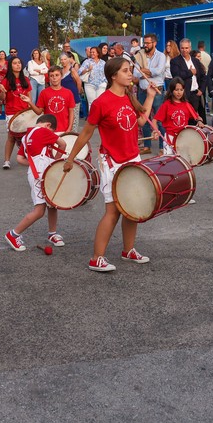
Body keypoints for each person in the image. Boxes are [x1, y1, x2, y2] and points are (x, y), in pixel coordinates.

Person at [60, 58, 158, 272]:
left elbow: (141, 122)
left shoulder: (130, 97)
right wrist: (70, 159)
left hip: (133, 158)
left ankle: (128, 250)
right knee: (113, 211)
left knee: (132, 207)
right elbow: (86, 133)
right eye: (125, 71)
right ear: (113, 75)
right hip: (112, 162)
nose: (130, 73)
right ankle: (97, 258)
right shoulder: (101, 102)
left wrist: (149, 97)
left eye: (130, 70)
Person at [5, 113, 68, 251]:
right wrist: (56, 163)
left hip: (35, 174)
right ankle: (13, 234)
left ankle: (52, 233)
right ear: (48, 125)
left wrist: (33, 163)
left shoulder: (26, 136)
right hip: (42, 175)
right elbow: (63, 143)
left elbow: (20, 159)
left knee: (52, 204)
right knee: (39, 211)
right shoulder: (44, 131)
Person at [0, 55, 31, 169]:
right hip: (12, 113)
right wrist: (1, 91)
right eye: (15, 63)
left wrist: (32, 110)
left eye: (19, 63)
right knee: (11, 137)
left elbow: (29, 97)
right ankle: (7, 161)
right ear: (11, 66)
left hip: (25, 112)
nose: (18, 65)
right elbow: (2, 98)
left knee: (26, 137)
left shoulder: (25, 80)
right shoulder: (6, 80)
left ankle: (28, 157)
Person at [133, 33, 166, 154]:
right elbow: (135, 74)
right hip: (142, 91)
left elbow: (159, 71)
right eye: (144, 43)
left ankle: (163, 147)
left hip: (157, 91)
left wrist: (143, 71)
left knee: (160, 118)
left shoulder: (161, 56)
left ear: (154, 43)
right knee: (144, 118)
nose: (145, 45)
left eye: (147, 43)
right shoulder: (140, 56)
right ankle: (147, 146)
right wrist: (147, 73)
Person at [153, 78, 203, 155]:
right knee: (170, 163)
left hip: (183, 138)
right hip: (170, 138)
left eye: (181, 90)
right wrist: (155, 130)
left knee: (184, 163)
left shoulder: (187, 105)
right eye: (176, 90)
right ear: (172, 90)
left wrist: (199, 122)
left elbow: (197, 117)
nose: (179, 92)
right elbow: (155, 120)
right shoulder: (167, 105)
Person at [27, 64, 76, 132]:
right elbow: (38, 112)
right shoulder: (44, 93)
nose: (54, 78)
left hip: (64, 129)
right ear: (49, 78)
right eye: (51, 76)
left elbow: (71, 112)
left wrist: (69, 129)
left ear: (61, 76)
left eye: (57, 75)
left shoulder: (68, 92)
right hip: (49, 130)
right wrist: (30, 102)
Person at [170, 38, 207, 123]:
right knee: (183, 118)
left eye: (186, 48)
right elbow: (176, 76)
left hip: (195, 94)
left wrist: (202, 89)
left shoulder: (195, 61)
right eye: (182, 48)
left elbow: (203, 76)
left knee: (194, 119)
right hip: (182, 95)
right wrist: (190, 72)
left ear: (190, 48)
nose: (184, 50)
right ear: (180, 48)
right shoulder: (175, 61)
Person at [59, 53, 83, 131]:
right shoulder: (60, 71)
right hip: (63, 98)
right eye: (61, 60)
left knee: (74, 119)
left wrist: (78, 92)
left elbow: (79, 81)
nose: (63, 61)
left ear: (68, 59)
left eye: (65, 59)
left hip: (74, 97)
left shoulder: (72, 70)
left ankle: (73, 136)